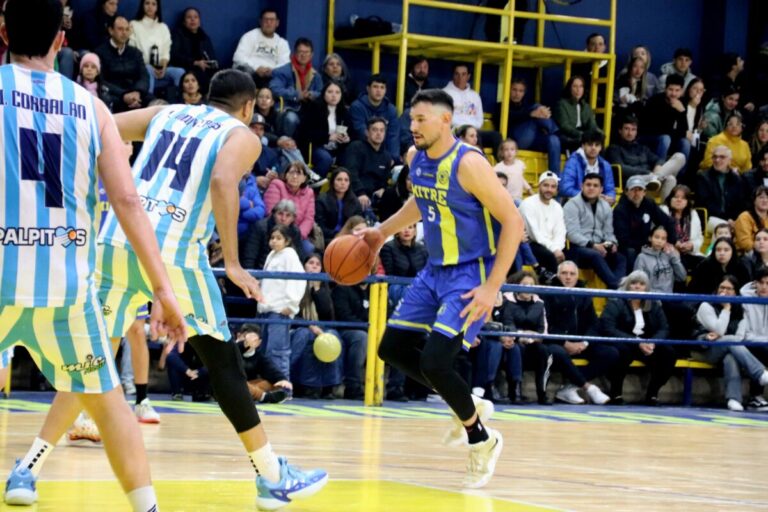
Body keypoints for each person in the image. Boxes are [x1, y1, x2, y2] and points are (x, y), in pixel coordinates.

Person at [12, 68, 328, 510]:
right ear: (248, 107)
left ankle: (27, 470)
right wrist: (232, 262)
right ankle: (271, 476)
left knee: (89, 363)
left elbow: (99, 126)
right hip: (174, 252)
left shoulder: (169, 113)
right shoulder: (242, 134)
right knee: (223, 362)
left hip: (117, 238)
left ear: (208, 96)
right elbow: (222, 181)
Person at [0, 1, 187, 509]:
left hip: (2, 278)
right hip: (66, 290)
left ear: (4, 34)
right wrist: (163, 289)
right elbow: (126, 201)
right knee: (109, 406)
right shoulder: (91, 107)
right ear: (61, 41)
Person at [363, 89, 525, 488]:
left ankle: (482, 440)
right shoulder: (416, 158)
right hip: (434, 271)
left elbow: (514, 222)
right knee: (392, 349)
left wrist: (492, 286)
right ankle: (468, 404)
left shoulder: (469, 164)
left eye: (421, 119)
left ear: (445, 121)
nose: (413, 127)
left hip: (471, 274)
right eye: (412, 119)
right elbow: (421, 202)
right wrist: (382, 232)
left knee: (436, 362)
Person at [542, 261, 616, 405]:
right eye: (564, 273)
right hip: (556, 341)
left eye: (572, 274)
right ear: (558, 275)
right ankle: (588, 387)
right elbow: (546, 324)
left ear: (577, 276)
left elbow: (594, 324)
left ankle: (570, 387)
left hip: (580, 342)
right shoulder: (548, 292)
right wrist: (565, 342)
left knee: (610, 353)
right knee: (558, 352)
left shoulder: (584, 293)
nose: (568, 277)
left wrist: (584, 342)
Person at [599, 271, 676, 405]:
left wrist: (653, 342)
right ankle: (616, 393)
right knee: (622, 353)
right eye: (634, 283)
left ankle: (652, 394)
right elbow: (608, 328)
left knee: (669, 353)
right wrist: (636, 342)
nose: (637, 287)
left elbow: (664, 328)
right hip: (624, 341)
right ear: (627, 285)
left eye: (641, 284)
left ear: (647, 287)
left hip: (646, 343)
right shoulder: (616, 301)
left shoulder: (654, 304)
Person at [694, 275, 768, 411]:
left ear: (735, 292)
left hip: (729, 348)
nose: (724, 292)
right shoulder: (706, 305)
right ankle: (759, 373)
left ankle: (733, 399)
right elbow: (720, 330)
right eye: (722, 288)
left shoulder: (740, 309)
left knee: (731, 357)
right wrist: (726, 308)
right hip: (705, 349)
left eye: (729, 289)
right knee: (731, 341)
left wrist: (723, 336)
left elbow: (740, 337)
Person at [289, 254, 342, 399]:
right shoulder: (295, 285)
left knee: (332, 337)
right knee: (305, 336)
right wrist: (308, 325)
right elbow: (291, 314)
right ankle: (303, 385)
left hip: (321, 327)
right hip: (298, 327)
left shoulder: (324, 286)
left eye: (318, 264)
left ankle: (328, 387)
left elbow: (328, 315)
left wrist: (317, 290)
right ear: (304, 266)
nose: (314, 266)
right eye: (310, 263)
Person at [258, 225, 306, 379]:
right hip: (266, 309)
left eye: (278, 238)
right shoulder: (271, 255)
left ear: (287, 240)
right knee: (265, 350)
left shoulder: (290, 255)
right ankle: (269, 384)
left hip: (279, 310)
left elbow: (299, 279)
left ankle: (283, 386)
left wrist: (291, 304)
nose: (274, 241)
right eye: (272, 238)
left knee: (277, 351)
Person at [564, 174, 626, 289]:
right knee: (595, 254)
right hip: (577, 249)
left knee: (620, 258)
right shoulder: (571, 204)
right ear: (582, 186)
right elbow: (571, 234)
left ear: (601, 189)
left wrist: (612, 243)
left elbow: (608, 232)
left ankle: (619, 286)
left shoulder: (605, 206)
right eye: (588, 185)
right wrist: (593, 245)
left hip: (599, 246)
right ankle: (616, 288)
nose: (591, 188)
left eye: (595, 185)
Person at [604, 115, 683, 200]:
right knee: (667, 178)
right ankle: (655, 178)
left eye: (633, 130)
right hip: (633, 181)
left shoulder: (642, 148)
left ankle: (663, 201)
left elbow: (658, 159)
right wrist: (647, 173)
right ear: (620, 130)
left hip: (651, 182)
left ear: (636, 132)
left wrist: (658, 166)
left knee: (678, 160)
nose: (630, 133)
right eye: (626, 129)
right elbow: (621, 168)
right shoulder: (614, 148)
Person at [613, 175, 677, 270]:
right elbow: (623, 240)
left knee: (671, 252)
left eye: (640, 189)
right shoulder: (620, 210)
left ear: (644, 192)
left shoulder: (649, 203)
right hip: (628, 247)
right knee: (630, 252)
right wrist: (649, 243)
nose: (636, 193)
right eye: (633, 189)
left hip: (647, 244)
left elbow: (668, 221)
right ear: (626, 192)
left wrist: (670, 242)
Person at [129, 0, 185, 100]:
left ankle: (179, 101)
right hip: (143, 67)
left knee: (179, 72)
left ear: (157, 7)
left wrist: (163, 67)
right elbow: (132, 49)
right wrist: (149, 66)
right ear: (142, 5)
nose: (150, 7)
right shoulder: (134, 24)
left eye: (153, 4)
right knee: (148, 69)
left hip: (160, 68)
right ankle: (148, 101)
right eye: (147, 3)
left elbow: (166, 50)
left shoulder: (163, 27)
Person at [95, 16, 150, 112]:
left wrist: (137, 92)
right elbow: (101, 80)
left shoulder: (135, 53)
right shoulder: (100, 52)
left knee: (156, 103)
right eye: (120, 29)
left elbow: (144, 76)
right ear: (111, 30)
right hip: (115, 95)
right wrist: (123, 94)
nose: (124, 33)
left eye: (127, 29)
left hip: (135, 94)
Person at [269, 38, 323, 139]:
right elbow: (274, 89)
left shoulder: (316, 76)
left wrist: (311, 94)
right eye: (300, 51)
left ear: (311, 55)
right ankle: (286, 144)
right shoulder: (281, 71)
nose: (303, 55)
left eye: (306, 52)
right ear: (294, 53)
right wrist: (297, 95)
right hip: (286, 109)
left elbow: (322, 93)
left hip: (308, 111)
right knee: (292, 118)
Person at [506, 77, 561, 173]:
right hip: (516, 140)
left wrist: (537, 113)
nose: (517, 94)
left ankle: (554, 177)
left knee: (554, 139)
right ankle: (556, 131)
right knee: (536, 109)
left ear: (524, 93)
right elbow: (512, 116)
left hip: (533, 139)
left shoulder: (526, 106)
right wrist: (531, 114)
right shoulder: (502, 105)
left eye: (520, 91)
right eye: (514, 90)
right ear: (509, 90)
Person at [442, 63, 501, 152]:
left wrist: (471, 129)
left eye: (463, 74)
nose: (460, 77)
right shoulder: (444, 93)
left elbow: (479, 119)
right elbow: (445, 117)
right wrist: (465, 127)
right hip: (455, 131)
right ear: (453, 75)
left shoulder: (475, 95)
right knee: (472, 137)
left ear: (468, 76)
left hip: (474, 130)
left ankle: (501, 162)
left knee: (496, 136)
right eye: (457, 74)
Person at [341, 116, 394, 214]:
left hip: (374, 196)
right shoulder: (356, 147)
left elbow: (385, 180)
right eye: (375, 130)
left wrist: (382, 189)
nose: (378, 133)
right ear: (367, 132)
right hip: (354, 194)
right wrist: (360, 193)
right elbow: (351, 173)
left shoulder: (386, 156)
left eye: (382, 130)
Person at [299, 80, 351, 178]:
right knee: (326, 159)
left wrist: (347, 138)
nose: (334, 95)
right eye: (330, 92)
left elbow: (352, 133)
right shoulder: (314, 108)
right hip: (316, 146)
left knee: (350, 158)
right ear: (324, 94)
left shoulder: (345, 112)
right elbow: (305, 133)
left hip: (337, 148)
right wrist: (328, 137)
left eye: (337, 92)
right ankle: (313, 181)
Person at [263, 162, 316, 256]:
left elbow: (309, 218)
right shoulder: (277, 185)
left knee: (309, 249)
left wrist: (297, 236)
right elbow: (271, 212)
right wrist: (282, 235)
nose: (295, 176)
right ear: (285, 175)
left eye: (299, 173)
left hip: (296, 235)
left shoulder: (309, 193)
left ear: (304, 178)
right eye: (291, 172)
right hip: (275, 232)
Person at [518, 171, 566, 273]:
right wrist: (554, 249)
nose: (549, 189)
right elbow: (535, 234)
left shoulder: (557, 207)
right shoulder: (528, 204)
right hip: (531, 244)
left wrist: (558, 248)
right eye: (546, 185)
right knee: (549, 256)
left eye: (553, 187)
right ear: (539, 186)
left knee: (570, 257)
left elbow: (560, 232)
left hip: (552, 246)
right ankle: (552, 282)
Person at [241, 200, 306, 271]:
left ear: (293, 218)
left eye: (288, 215)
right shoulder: (260, 227)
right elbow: (249, 257)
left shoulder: (295, 231)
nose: (283, 219)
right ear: (274, 214)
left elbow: (299, 258)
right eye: (280, 214)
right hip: (260, 271)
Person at [235, 325, 293, 404]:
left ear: (259, 342)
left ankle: (250, 394)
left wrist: (282, 379)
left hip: (250, 385)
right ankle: (264, 397)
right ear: (238, 336)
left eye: (253, 339)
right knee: (238, 384)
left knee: (271, 383)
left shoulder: (259, 356)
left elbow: (270, 369)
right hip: (232, 382)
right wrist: (243, 345)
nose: (249, 342)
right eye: (245, 338)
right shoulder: (231, 350)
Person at [232, 8, 289, 88]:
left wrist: (271, 71)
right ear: (260, 22)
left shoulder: (282, 43)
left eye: (272, 20)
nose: (268, 22)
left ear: (277, 23)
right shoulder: (250, 36)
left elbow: (285, 64)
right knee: (243, 70)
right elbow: (238, 57)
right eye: (266, 19)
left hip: (271, 76)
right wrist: (256, 68)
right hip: (251, 73)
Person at [736, 269, 768, 410]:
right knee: (762, 350)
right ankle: (755, 396)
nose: (764, 287)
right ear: (755, 283)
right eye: (761, 282)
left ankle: (756, 397)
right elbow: (745, 334)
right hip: (748, 343)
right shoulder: (745, 299)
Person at [349, 74, 401, 159]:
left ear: (385, 90)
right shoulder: (357, 107)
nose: (379, 90)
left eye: (382, 87)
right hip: (362, 151)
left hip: (384, 153)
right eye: (375, 87)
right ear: (368, 88)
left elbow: (393, 137)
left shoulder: (391, 109)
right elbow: (361, 132)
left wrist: (392, 159)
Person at [695, 145, 745, 232]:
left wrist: (734, 220)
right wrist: (727, 219)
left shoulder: (736, 179)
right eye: (715, 157)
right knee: (725, 229)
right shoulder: (703, 177)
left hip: (732, 220)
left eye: (722, 157)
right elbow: (705, 203)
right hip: (710, 218)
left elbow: (740, 203)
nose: (717, 160)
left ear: (729, 160)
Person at [559, 130, 616, 204]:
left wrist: (609, 198)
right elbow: (565, 189)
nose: (593, 148)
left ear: (601, 147)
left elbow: (610, 190)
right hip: (576, 203)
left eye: (597, 145)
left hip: (598, 204)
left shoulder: (605, 165)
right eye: (590, 144)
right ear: (583, 146)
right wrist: (590, 196)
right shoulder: (573, 162)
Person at [170, 7, 217, 92]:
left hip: (204, 70)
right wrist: (195, 62)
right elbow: (174, 56)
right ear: (184, 22)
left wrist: (209, 64)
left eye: (196, 17)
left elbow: (212, 57)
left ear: (199, 21)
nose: (192, 20)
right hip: (186, 68)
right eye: (189, 17)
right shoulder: (177, 35)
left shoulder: (204, 37)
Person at [659, 184, 705, 271]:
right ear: (670, 199)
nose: (679, 200)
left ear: (688, 201)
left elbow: (699, 237)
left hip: (688, 252)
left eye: (683, 198)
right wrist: (675, 244)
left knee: (705, 263)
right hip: (668, 252)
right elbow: (658, 234)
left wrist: (692, 245)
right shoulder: (663, 211)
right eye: (676, 197)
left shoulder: (693, 214)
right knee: (681, 263)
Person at [554, 75, 602, 153]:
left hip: (583, 136)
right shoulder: (561, 104)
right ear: (569, 88)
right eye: (575, 86)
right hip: (568, 136)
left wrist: (599, 133)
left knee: (598, 141)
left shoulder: (586, 106)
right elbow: (564, 126)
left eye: (581, 86)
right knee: (585, 143)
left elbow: (592, 124)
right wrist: (581, 134)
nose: (578, 90)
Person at [314, 168, 362, 245]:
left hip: (349, 238)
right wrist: (338, 234)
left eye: (346, 180)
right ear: (332, 182)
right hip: (327, 238)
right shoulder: (322, 200)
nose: (343, 183)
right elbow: (320, 227)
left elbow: (359, 224)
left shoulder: (355, 202)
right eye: (339, 179)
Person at [633, 225, 686, 293]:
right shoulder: (642, 257)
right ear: (650, 238)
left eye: (663, 239)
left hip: (668, 297)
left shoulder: (670, 256)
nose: (659, 241)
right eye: (657, 237)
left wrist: (673, 257)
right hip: (649, 297)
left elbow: (682, 277)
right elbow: (637, 283)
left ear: (666, 241)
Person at [734, 186, 768, 254]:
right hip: (747, 254)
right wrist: (763, 250)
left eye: (767, 198)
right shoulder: (744, 217)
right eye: (761, 197)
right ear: (754, 201)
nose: (765, 200)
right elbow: (744, 243)